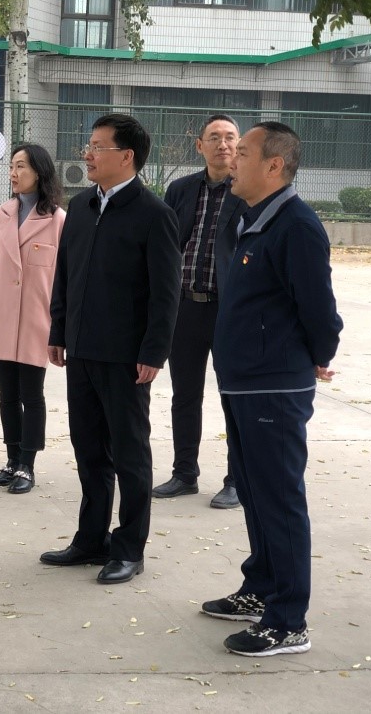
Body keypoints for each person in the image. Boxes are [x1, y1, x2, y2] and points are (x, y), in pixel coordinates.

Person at [201, 121, 342, 656]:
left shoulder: (297, 226)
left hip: (272, 387)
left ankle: (287, 621)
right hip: (243, 382)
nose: (231, 158)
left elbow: (319, 310)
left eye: (244, 151)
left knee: (279, 499)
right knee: (255, 492)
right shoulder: (251, 218)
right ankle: (259, 588)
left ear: (274, 165)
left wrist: (316, 356)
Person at [40, 114, 181, 584]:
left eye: (98, 147)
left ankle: (129, 548)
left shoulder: (154, 214)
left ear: (126, 156)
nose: (88, 154)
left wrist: (154, 352)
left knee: (129, 454)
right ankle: (90, 539)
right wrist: (59, 331)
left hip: (126, 357)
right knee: (88, 449)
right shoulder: (81, 206)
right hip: (80, 349)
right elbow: (64, 274)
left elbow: (166, 294)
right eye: (89, 145)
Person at [153, 114, 247, 509]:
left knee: (234, 399)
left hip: (230, 312)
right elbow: (164, 245)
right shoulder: (181, 189)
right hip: (186, 307)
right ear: (200, 145)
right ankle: (184, 474)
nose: (222, 144)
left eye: (230, 137)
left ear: (240, 145)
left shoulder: (248, 191)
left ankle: (237, 481)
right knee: (185, 396)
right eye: (214, 137)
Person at [0, 144, 65, 494]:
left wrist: (61, 325)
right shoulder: (1, 214)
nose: (14, 173)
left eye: (21, 166)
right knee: (6, 394)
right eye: (11, 166)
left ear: (39, 171)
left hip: (37, 320)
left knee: (31, 394)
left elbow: (65, 277)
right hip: (0, 316)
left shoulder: (57, 219)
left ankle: (28, 465)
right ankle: (11, 460)